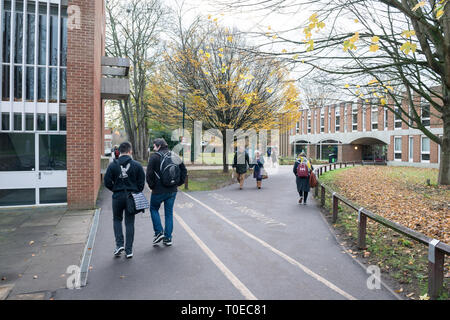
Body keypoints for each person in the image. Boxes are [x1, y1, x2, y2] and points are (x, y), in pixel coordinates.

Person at [104, 142, 145, 259]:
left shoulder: (112, 165)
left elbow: (107, 182)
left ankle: (119, 245)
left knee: (117, 220)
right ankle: (129, 250)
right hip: (131, 197)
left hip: (117, 196)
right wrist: (134, 191)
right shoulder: (137, 165)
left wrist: (115, 190)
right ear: (130, 151)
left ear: (119, 151)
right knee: (129, 222)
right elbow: (141, 184)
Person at [146, 138, 187, 246]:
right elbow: (184, 170)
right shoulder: (175, 155)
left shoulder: (154, 157)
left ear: (159, 146)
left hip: (158, 190)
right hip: (172, 190)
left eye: (154, 146)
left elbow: (149, 174)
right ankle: (168, 238)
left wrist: (151, 186)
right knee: (169, 213)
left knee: (154, 209)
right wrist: (179, 183)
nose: (154, 148)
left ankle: (159, 232)